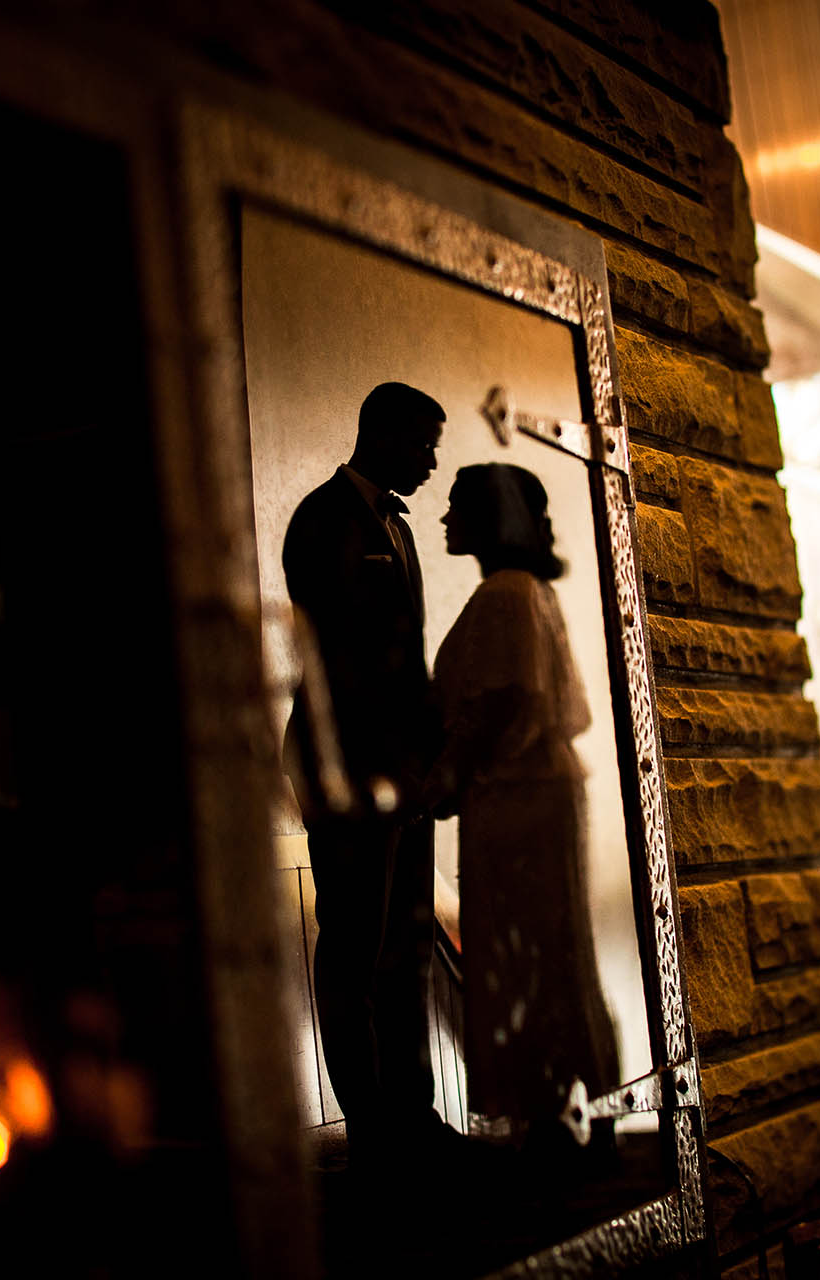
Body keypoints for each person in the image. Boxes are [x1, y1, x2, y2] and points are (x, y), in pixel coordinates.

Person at [426, 463, 619, 1151]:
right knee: (551, 948)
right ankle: (567, 1102)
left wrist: (446, 776)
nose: (445, 519)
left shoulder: (506, 594)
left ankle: (550, 1108)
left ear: (492, 517)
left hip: (518, 799)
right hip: (533, 793)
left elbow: (508, 703)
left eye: (458, 507)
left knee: (527, 951)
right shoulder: (522, 590)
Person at [281, 381, 446, 1166]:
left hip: (406, 773)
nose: (433, 461)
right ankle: (373, 1129)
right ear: (379, 434)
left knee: (406, 943)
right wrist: (393, 765)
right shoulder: (325, 521)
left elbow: (405, 663)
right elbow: (340, 665)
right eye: (422, 444)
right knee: (356, 945)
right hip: (352, 770)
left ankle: (414, 1115)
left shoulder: (398, 529)